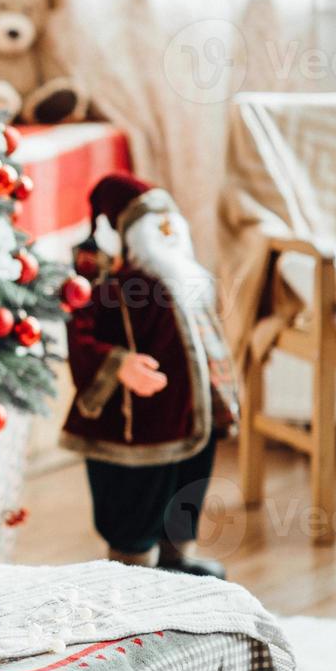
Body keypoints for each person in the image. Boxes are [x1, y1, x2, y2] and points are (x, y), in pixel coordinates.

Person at [59, 172, 239, 578]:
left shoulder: (189, 280)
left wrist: (220, 398)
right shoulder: (109, 287)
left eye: (169, 228)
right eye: (154, 230)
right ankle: (133, 565)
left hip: (192, 414)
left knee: (188, 482)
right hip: (136, 421)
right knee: (138, 490)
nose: (167, 238)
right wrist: (118, 363)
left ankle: (176, 555)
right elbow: (81, 334)